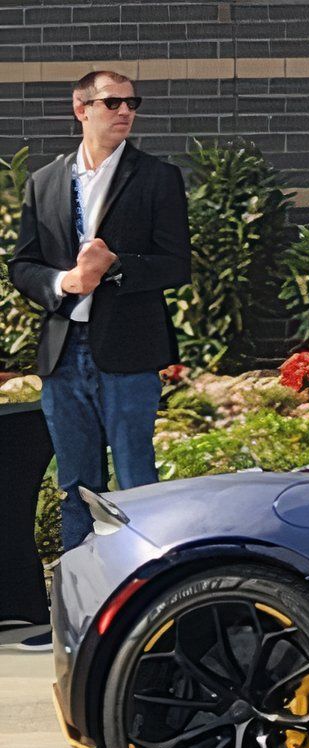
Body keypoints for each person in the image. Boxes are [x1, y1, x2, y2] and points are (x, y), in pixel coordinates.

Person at [7, 71, 188, 555]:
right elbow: (22, 265)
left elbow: (176, 264)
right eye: (113, 103)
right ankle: (80, 605)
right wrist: (65, 282)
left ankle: (147, 603)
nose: (126, 112)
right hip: (63, 357)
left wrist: (114, 267)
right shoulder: (44, 182)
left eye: (133, 103)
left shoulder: (157, 177)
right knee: (76, 486)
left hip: (129, 352)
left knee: (136, 486)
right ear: (81, 108)